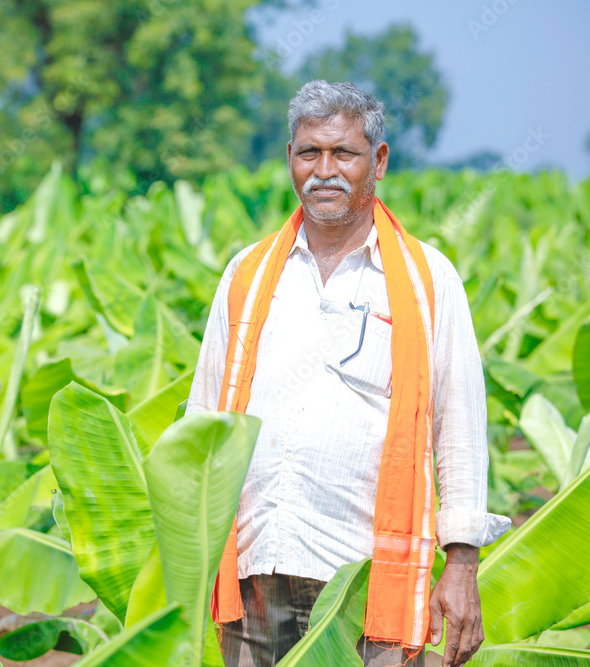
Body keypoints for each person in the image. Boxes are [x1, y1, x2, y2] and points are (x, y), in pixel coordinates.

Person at [184, 80, 511, 667]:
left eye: (344, 153)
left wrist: (462, 564)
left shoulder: (425, 279)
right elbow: (202, 418)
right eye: (309, 152)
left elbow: (459, 427)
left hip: (365, 583)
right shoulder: (249, 273)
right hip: (258, 567)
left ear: (378, 162)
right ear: (290, 159)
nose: (325, 170)